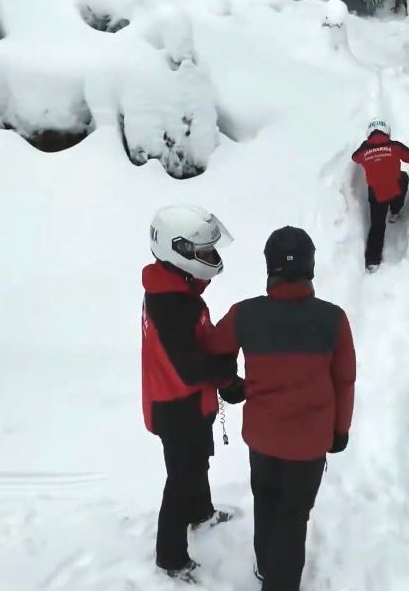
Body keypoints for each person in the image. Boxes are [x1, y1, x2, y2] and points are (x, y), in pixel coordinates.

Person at [205, 227, 357, 591]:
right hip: (309, 443)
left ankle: (264, 565)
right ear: (311, 266)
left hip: (262, 438)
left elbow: (214, 350)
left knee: (266, 502)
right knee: (293, 515)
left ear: (269, 267)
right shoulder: (333, 319)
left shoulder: (245, 314)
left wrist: (230, 385)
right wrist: (339, 432)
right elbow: (345, 381)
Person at [141, 205, 243, 583]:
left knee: (198, 462)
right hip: (175, 404)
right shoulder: (171, 303)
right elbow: (189, 365)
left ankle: (201, 513)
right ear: (177, 251)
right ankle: (171, 557)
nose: (212, 261)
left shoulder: (175, 288)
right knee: (180, 478)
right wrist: (229, 380)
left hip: (188, 401)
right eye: (203, 253)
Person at [350, 119, 409, 272]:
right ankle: (395, 212)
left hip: (376, 194)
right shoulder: (395, 147)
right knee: (403, 178)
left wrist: (365, 147)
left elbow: (354, 157)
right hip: (394, 187)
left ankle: (372, 261)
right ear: (387, 132)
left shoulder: (363, 152)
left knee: (377, 226)